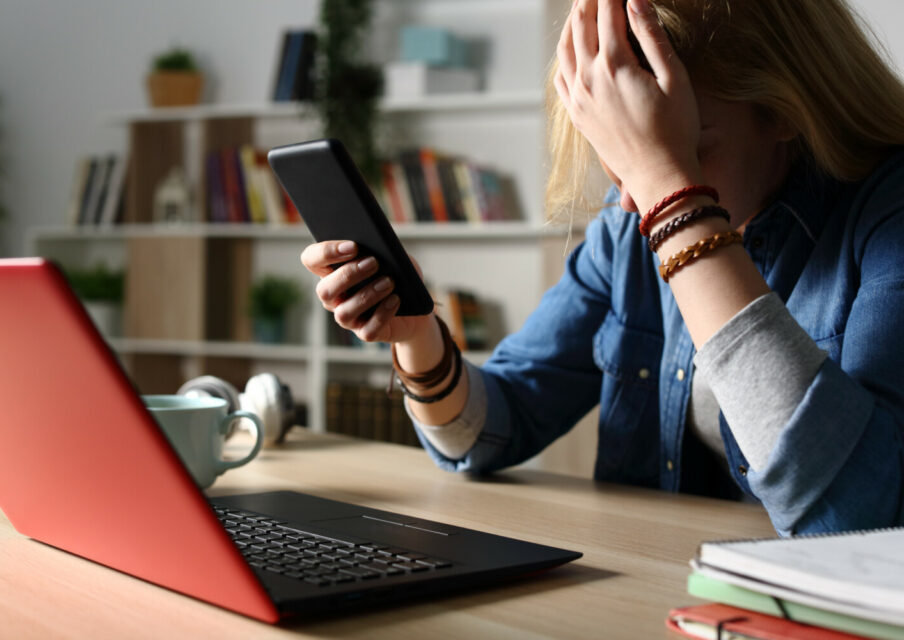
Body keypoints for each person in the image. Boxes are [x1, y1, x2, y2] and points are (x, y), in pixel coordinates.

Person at [301, 0, 904, 536]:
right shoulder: (627, 235)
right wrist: (415, 332)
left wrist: (677, 203)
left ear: (787, 108)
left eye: (682, 148)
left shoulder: (887, 213)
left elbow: (857, 515)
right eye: (621, 154)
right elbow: (488, 431)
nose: (633, 201)